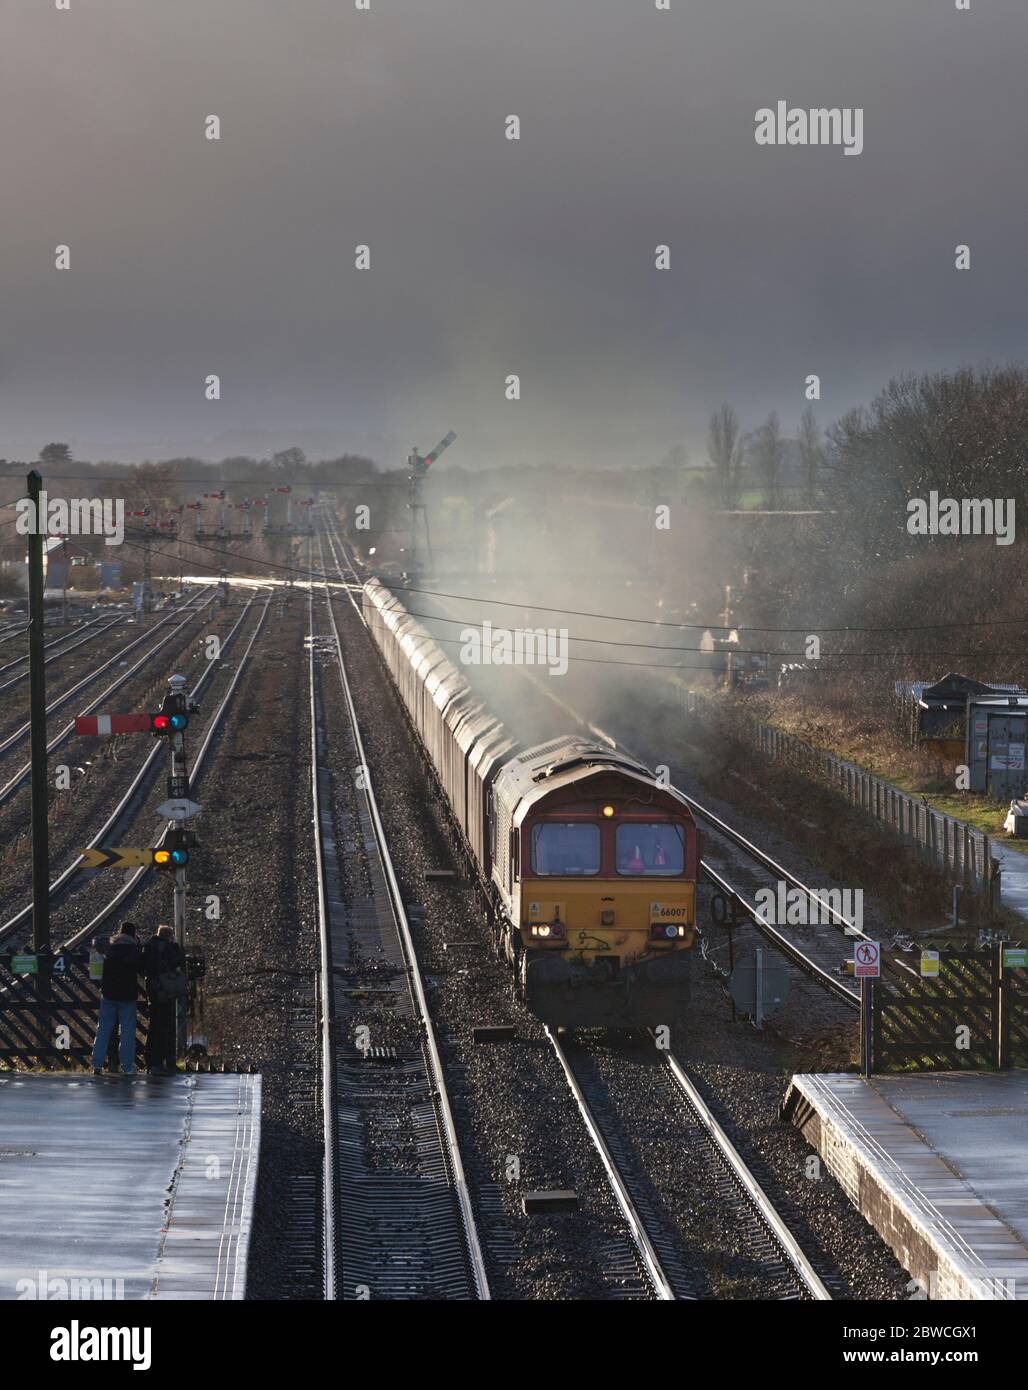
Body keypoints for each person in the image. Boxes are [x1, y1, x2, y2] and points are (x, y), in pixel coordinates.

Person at [91, 922, 143, 1076]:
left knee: (103, 1029)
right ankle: (127, 1066)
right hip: (127, 995)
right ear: (133, 935)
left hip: (109, 994)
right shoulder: (134, 950)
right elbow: (141, 966)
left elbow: (97, 941)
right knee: (127, 1032)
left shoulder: (109, 947)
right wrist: (139, 944)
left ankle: (97, 1064)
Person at [143, 925, 185, 1075]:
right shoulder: (167, 947)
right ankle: (162, 1061)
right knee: (164, 1027)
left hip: (152, 991)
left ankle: (151, 1061)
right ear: (170, 936)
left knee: (153, 1026)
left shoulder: (148, 946)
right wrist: (175, 946)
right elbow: (178, 961)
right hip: (165, 991)